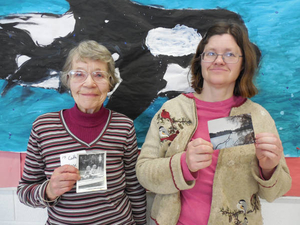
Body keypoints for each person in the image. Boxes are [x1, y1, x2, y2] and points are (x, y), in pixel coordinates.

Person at [136, 21, 291, 225]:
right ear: (200, 60)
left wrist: (269, 169)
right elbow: (144, 173)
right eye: (210, 53)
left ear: (243, 63)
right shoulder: (171, 111)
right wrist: (184, 164)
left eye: (229, 54)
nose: (219, 60)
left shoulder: (257, 117)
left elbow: (275, 193)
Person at [17, 40, 147, 225]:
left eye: (99, 75)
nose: (89, 83)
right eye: (79, 74)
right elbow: (24, 191)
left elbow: (134, 187)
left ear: (110, 83)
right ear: (67, 80)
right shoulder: (43, 127)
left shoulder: (123, 126)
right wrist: (50, 190)